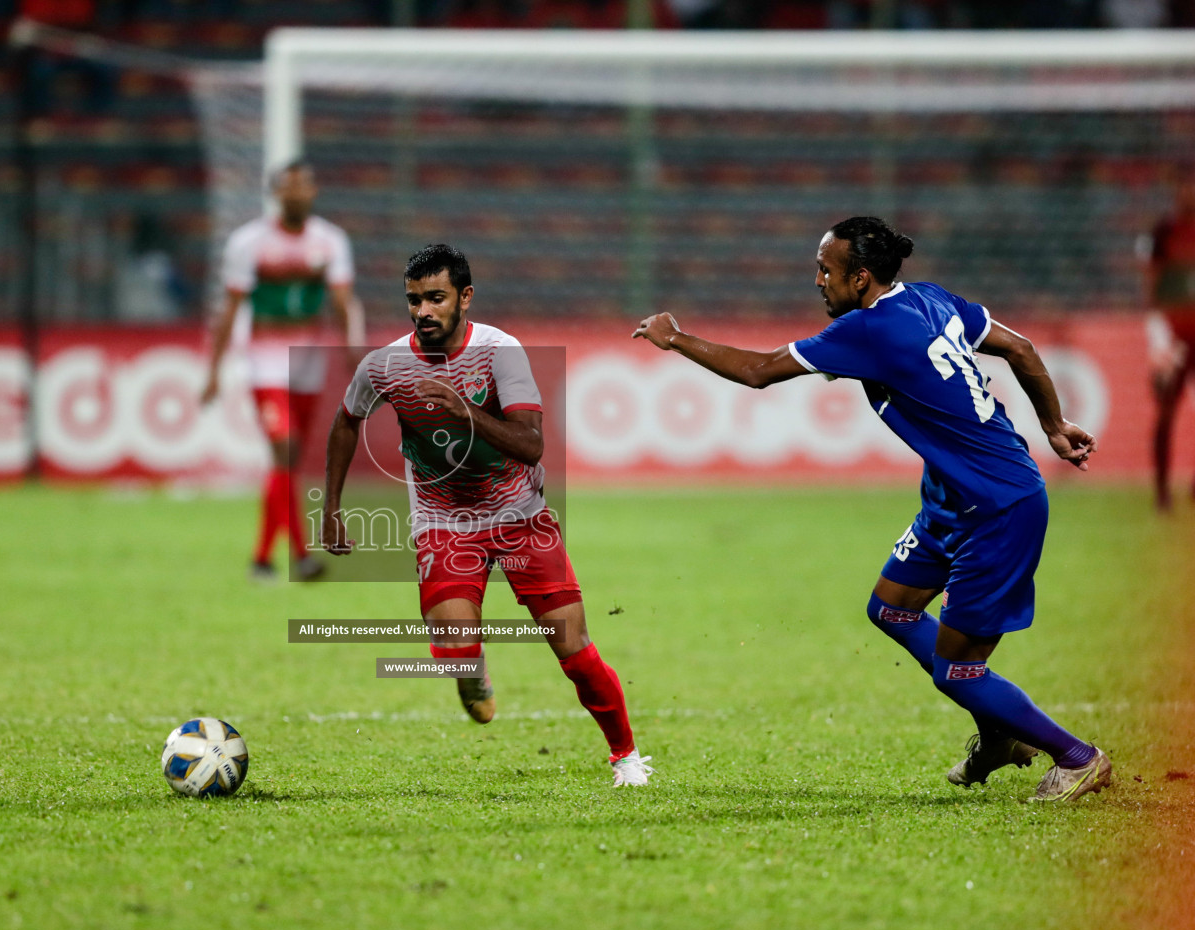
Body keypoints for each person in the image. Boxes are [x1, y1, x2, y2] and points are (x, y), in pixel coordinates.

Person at [632, 216, 1111, 803]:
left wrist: (674, 337)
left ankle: (1076, 756)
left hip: (998, 503)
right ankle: (999, 737)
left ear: (860, 278)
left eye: (826, 270)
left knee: (958, 669)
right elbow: (1020, 347)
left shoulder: (869, 330)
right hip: (952, 497)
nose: (817, 281)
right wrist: (1053, 426)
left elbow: (757, 372)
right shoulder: (932, 300)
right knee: (890, 608)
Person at [320, 244, 652, 787]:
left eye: (435, 298)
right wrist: (331, 509)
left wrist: (466, 411)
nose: (422, 311)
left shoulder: (501, 353)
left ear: (465, 298)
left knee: (573, 648)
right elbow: (345, 421)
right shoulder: (385, 365)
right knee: (454, 642)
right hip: (443, 521)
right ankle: (468, 668)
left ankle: (626, 757)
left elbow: (531, 445)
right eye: (413, 300)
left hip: (521, 515)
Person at [202, 159, 365, 582]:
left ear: (313, 192)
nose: (296, 194)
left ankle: (278, 558)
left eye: (303, 186)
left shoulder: (331, 241)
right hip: (263, 363)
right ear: (276, 194)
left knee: (288, 464)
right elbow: (229, 309)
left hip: (309, 362)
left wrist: (352, 352)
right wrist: (214, 370)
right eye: (288, 187)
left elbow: (344, 301)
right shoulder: (248, 243)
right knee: (285, 449)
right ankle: (283, 556)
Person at [1140, 176, 1195, 511]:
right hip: (1175, 336)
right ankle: (1162, 490)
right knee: (1166, 410)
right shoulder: (1164, 232)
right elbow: (1152, 283)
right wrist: (1157, 336)